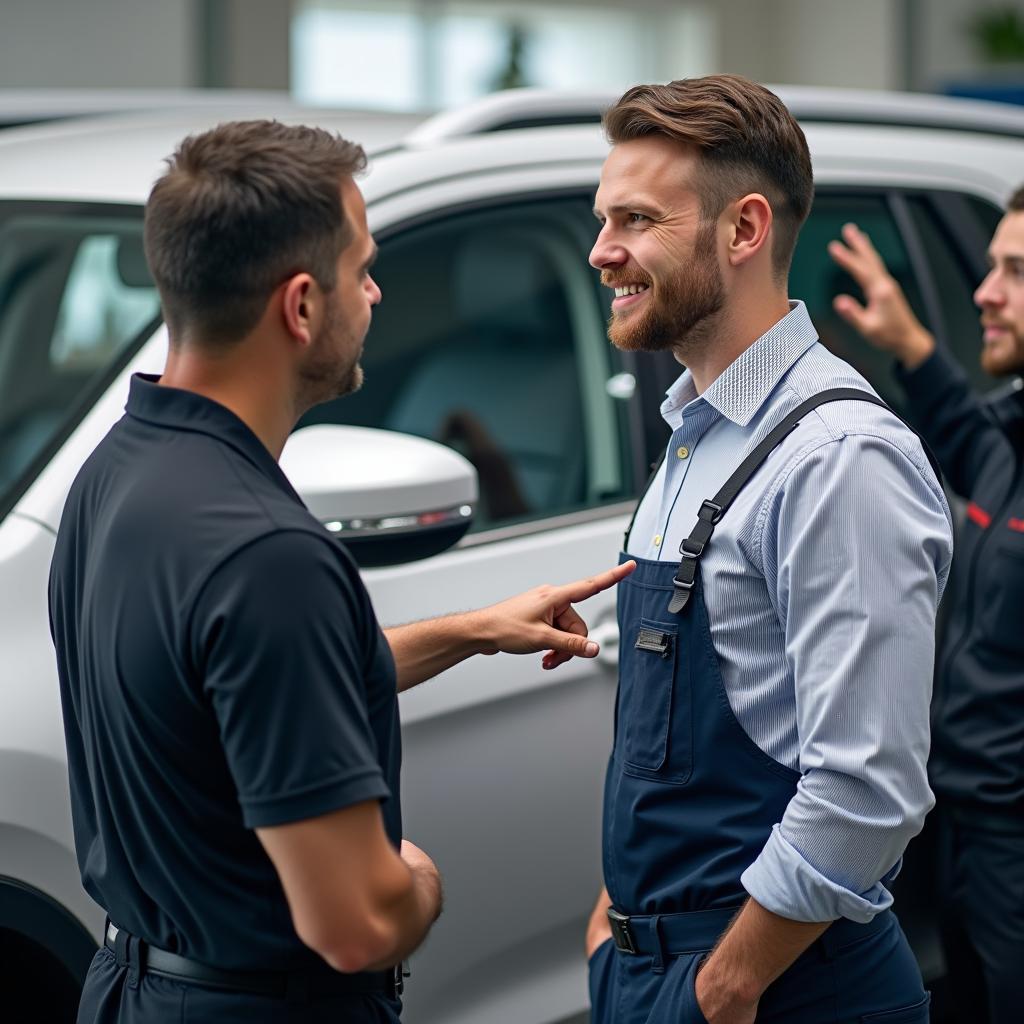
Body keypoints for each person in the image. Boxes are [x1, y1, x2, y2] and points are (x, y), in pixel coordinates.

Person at [47, 120, 634, 1024]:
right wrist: (417, 881)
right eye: (360, 268)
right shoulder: (268, 557)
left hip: (132, 989)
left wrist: (473, 631)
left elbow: (227, 685)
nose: (376, 291)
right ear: (302, 307)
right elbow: (358, 926)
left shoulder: (119, 471)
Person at [581, 75, 953, 1024]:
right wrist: (611, 921)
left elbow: (868, 787)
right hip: (653, 971)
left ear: (744, 231)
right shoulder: (695, 433)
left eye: (635, 219)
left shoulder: (840, 458)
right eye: (603, 218)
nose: (601, 251)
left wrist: (727, 984)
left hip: (785, 993)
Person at [827, 190, 1024, 1024]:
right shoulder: (1008, 433)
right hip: (964, 834)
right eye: (989, 268)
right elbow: (967, 436)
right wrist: (908, 343)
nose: (985, 292)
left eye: (1014, 273)